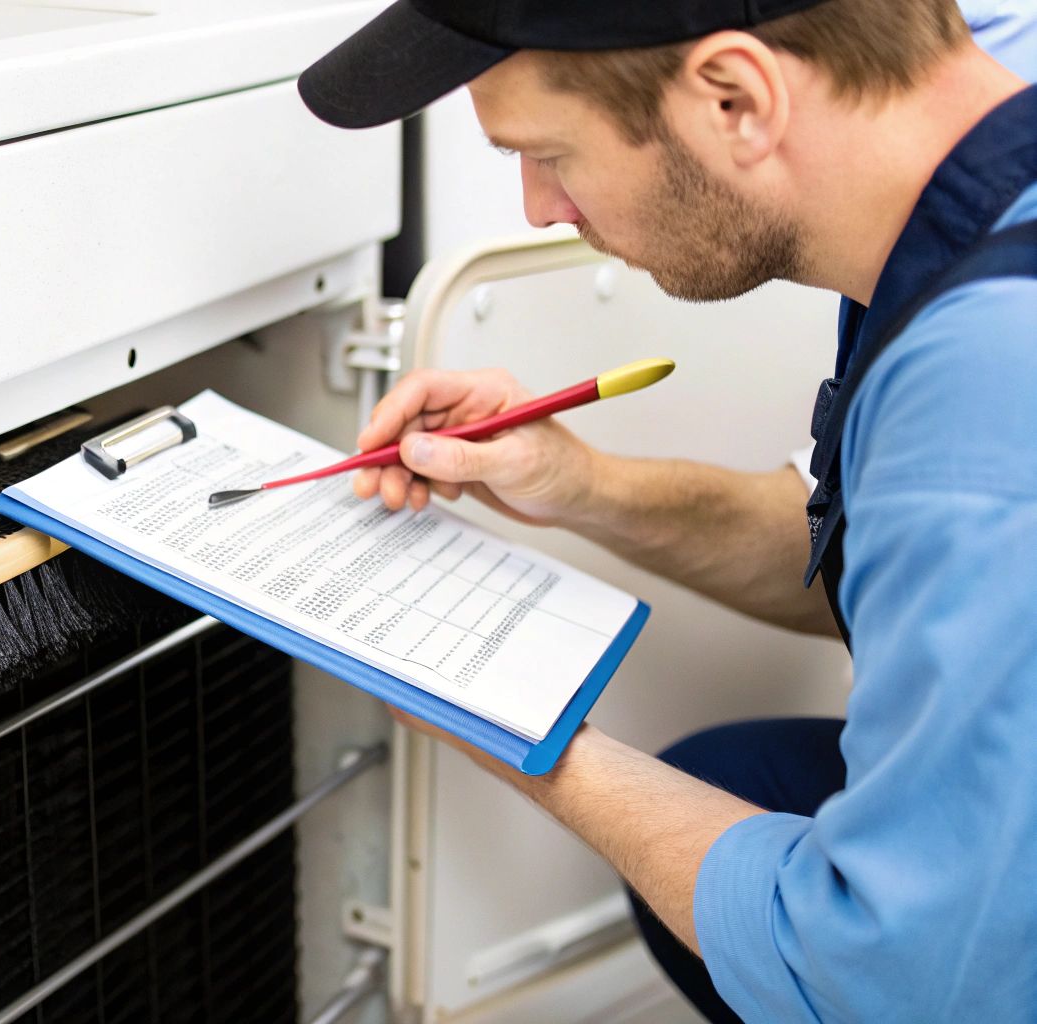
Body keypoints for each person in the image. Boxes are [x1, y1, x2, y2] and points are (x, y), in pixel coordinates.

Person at [298, 0, 1037, 1021]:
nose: (537, 208)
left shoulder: (988, 390)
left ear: (734, 99)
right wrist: (580, 485)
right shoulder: (983, 110)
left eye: (548, 152)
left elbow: (888, 987)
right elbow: (885, 560)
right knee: (734, 780)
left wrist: (518, 727)